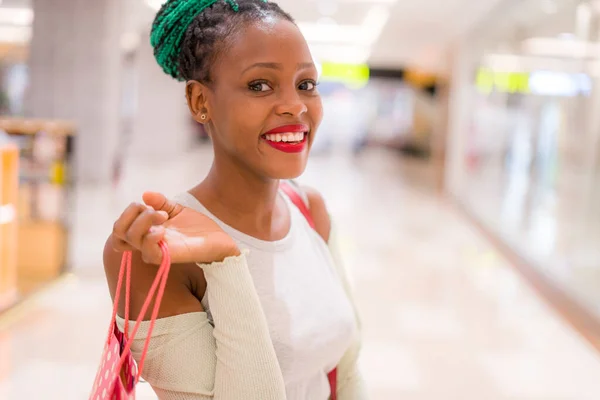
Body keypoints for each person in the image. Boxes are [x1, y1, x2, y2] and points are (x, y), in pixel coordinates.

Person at [103, 0, 366, 399]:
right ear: (200, 102)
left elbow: (346, 372)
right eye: (260, 85)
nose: (295, 106)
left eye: (306, 84)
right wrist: (225, 260)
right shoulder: (153, 252)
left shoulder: (309, 210)